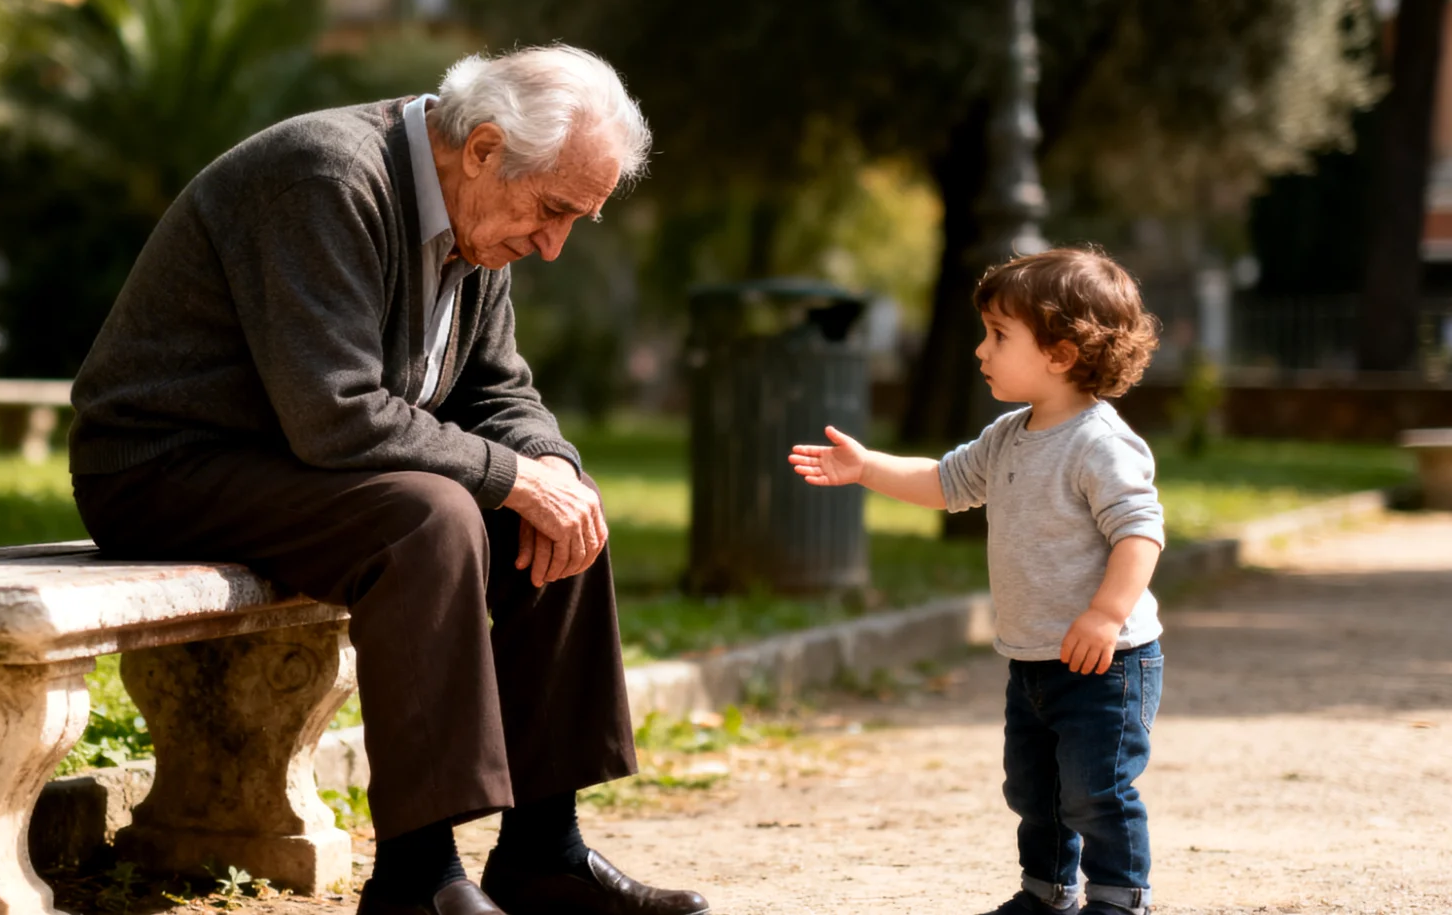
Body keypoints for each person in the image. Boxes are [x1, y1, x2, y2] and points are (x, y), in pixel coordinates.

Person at [68, 45, 710, 915]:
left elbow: (497, 389)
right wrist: (512, 475)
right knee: (433, 517)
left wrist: (550, 467)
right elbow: (336, 412)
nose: (553, 246)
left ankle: (542, 853)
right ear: (483, 147)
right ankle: (417, 878)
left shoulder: (480, 217)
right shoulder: (325, 179)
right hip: (163, 467)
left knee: (563, 512)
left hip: (295, 465)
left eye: (575, 222)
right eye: (553, 210)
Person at [790, 247, 1166, 915]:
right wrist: (867, 465)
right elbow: (943, 483)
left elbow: (1141, 533)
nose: (979, 350)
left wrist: (1107, 613)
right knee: (1035, 789)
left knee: (1097, 789)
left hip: (1106, 661)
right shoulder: (1007, 435)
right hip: (1033, 658)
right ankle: (1048, 892)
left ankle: (1118, 896)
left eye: (998, 335)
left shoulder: (1100, 443)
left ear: (1061, 351)